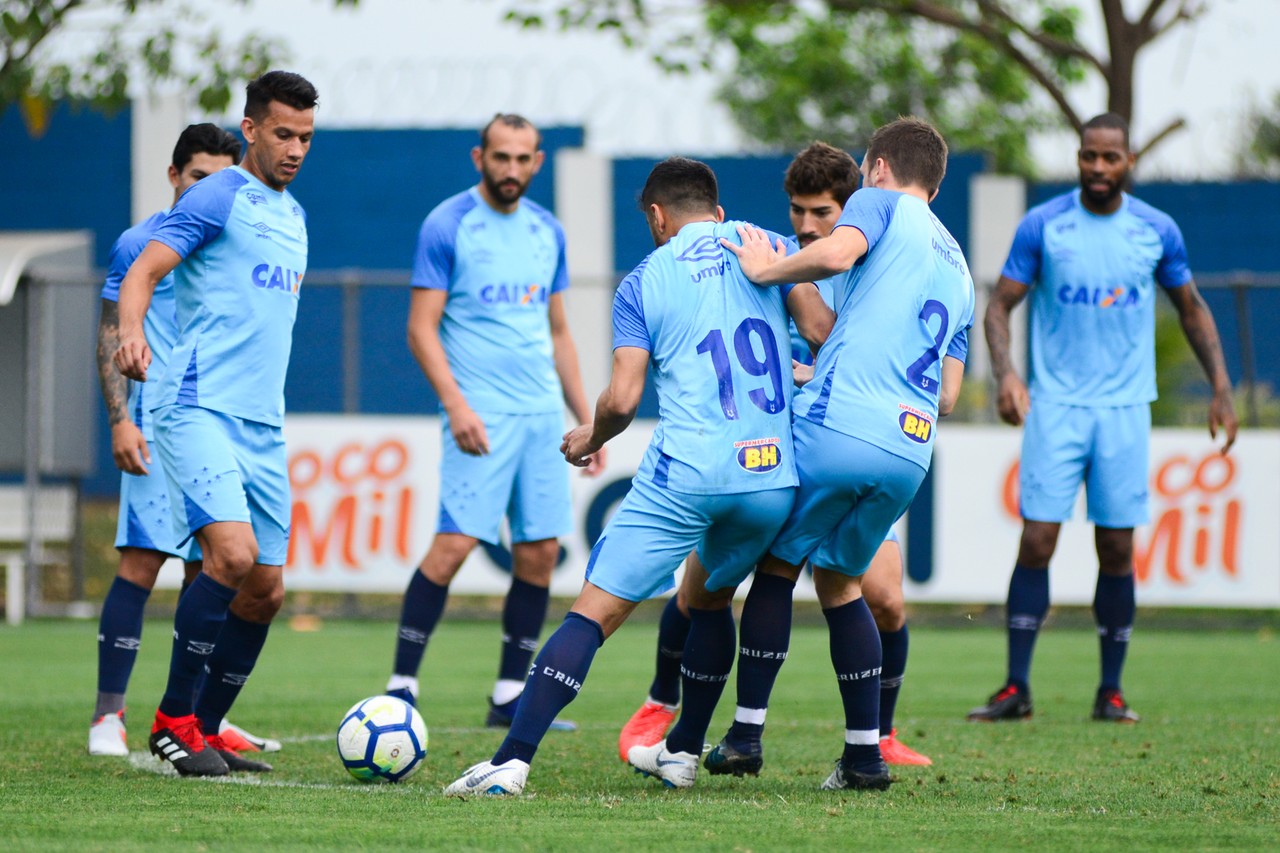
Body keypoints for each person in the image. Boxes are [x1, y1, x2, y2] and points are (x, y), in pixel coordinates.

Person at [443, 156, 831, 796]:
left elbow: (622, 401)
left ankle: (511, 760)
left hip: (688, 473)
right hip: (768, 478)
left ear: (657, 216)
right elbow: (821, 330)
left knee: (591, 615)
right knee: (710, 598)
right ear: (717, 211)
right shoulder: (768, 244)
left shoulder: (643, 280)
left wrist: (589, 437)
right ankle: (681, 751)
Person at [617, 142, 934, 770]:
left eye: (822, 213)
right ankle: (662, 703)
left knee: (885, 597)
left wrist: (816, 374)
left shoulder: (867, 264)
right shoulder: (770, 254)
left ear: (850, 209)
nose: (808, 225)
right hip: (767, 446)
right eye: (798, 210)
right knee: (703, 586)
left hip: (838, 437)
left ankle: (879, 732)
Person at [720, 117, 974, 790]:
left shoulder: (879, 203)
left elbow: (835, 256)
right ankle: (864, 755)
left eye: (865, 171)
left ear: (879, 167)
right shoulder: (960, 266)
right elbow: (950, 395)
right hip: (911, 451)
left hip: (841, 427)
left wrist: (766, 269)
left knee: (777, 566)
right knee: (841, 582)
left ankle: (744, 734)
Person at [968, 112, 1237, 724]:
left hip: (1123, 410)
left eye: (1109, 157)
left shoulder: (1156, 230)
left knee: (1116, 548)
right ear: (1079, 157)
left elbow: (1192, 309)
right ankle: (1015, 688)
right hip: (1056, 407)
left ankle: (1110, 691)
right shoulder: (1044, 225)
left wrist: (1222, 387)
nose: (1097, 167)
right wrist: (1007, 373)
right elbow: (999, 306)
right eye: (1089, 155)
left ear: (1128, 161)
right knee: (1037, 540)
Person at [114, 70, 319, 776]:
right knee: (230, 557)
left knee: (265, 590)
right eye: (284, 134)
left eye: (306, 137)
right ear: (252, 129)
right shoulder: (217, 195)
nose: (295, 149)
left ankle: (204, 725)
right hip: (195, 404)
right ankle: (171, 721)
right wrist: (132, 334)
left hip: (262, 423)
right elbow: (142, 272)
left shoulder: (294, 216)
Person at [383, 114, 602, 730]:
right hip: (480, 414)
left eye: (522, 158)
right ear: (479, 157)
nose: (511, 169)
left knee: (540, 553)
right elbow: (420, 328)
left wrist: (588, 421)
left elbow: (559, 332)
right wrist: (457, 405)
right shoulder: (447, 224)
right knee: (454, 545)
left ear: (537, 162)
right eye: (500, 157)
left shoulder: (547, 230)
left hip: (540, 417)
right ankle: (401, 687)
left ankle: (509, 694)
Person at [89, 123, 279, 758]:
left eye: (222, 178)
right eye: (198, 177)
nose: (209, 189)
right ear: (174, 176)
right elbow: (111, 331)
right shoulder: (140, 244)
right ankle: (108, 715)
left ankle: (196, 721)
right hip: (161, 418)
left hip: (220, 421)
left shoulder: (239, 235)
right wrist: (120, 418)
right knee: (143, 562)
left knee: (214, 567)